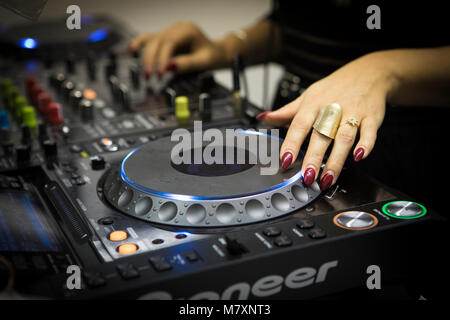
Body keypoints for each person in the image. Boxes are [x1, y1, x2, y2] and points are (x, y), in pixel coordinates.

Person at [128, 1, 450, 212]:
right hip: (291, 130)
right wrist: (225, 47)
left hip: (400, 149)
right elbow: (299, 25)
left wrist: (383, 71)